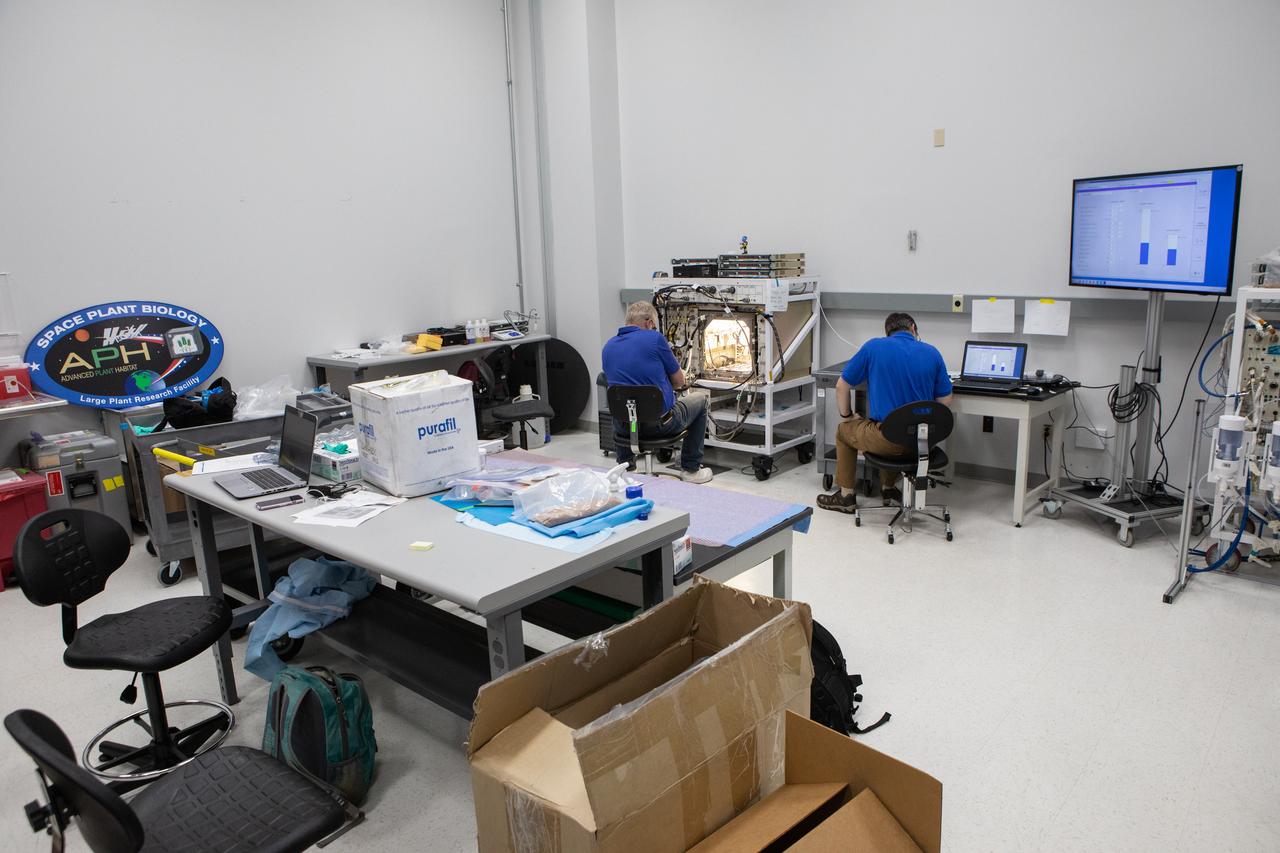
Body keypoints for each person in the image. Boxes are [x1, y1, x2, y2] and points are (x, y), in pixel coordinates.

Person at [817, 312, 952, 513]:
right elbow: (945, 401)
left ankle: (846, 496)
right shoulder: (932, 353)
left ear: (887, 332)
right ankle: (888, 489)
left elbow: (841, 387)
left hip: (890, 443)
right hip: (923, 443)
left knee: (845, 430)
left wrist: (848, 416)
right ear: (913, 329)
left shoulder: (874, 347)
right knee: (893, 427)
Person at [603, 302, 713, 483]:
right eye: (653, 324)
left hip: (624, 429)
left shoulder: (608, 346)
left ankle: (625, 469)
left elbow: (620, 385)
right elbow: (679, 382)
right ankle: (691, 470)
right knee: (700, 400)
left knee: (623, 402)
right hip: (661, 425)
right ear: (648, 323)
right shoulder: (655, 339)